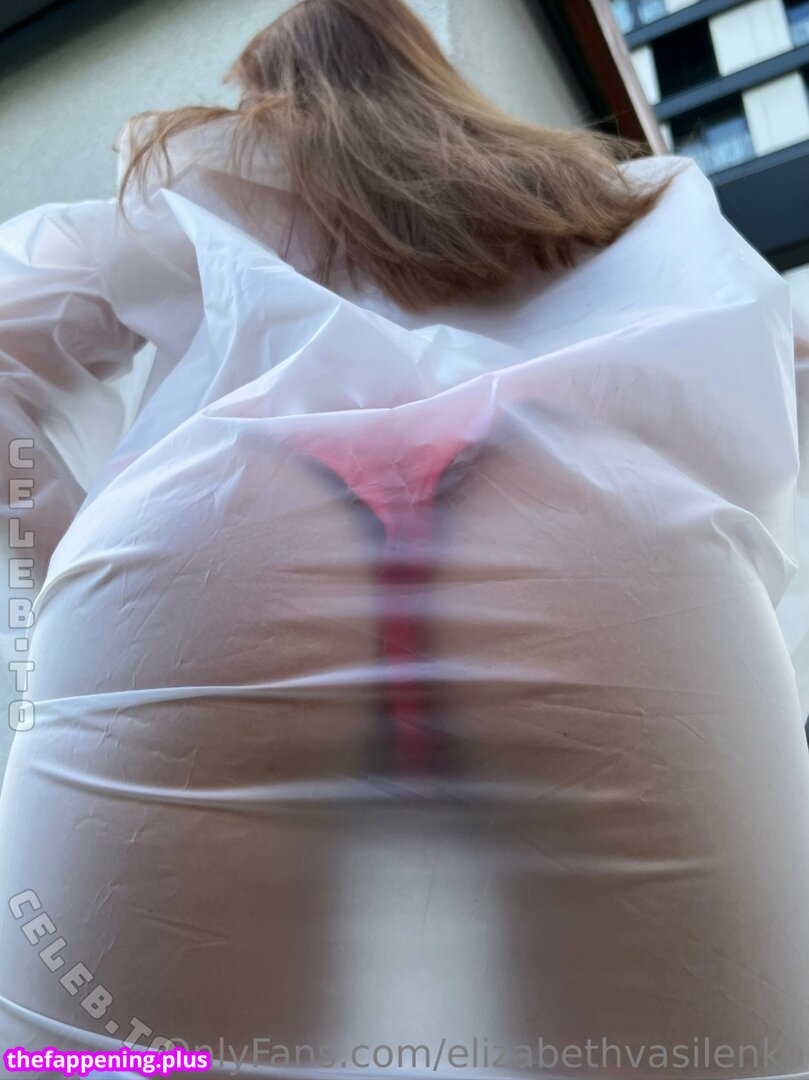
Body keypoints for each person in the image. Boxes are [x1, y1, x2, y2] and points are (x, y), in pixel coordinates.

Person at [1, 1, 808, 1077]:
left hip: (219, 537)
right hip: (608, 545)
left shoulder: (191, 166)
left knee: (128, 1065)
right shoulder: (624, 192)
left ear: (266, 92)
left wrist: (72, 567)